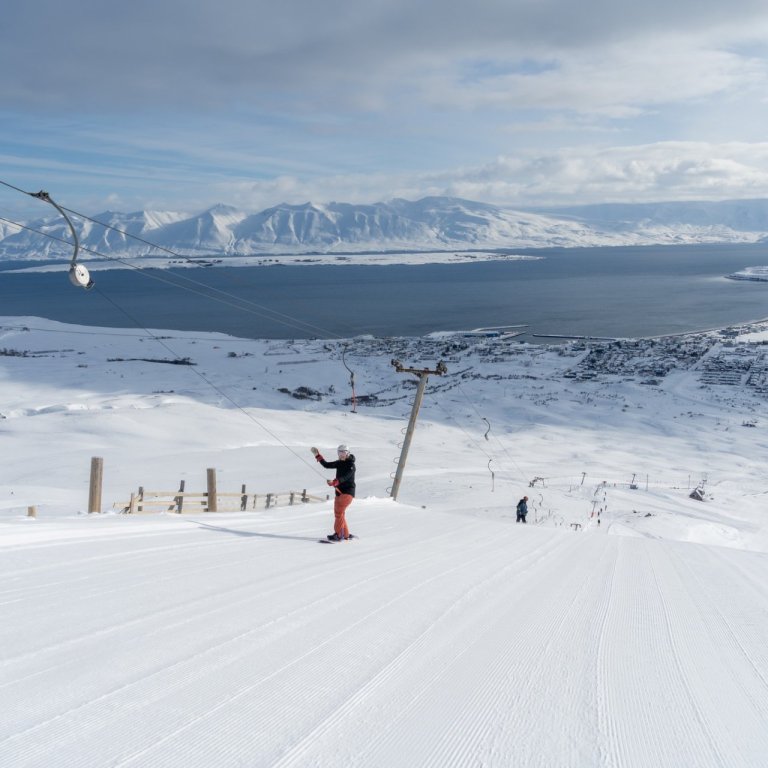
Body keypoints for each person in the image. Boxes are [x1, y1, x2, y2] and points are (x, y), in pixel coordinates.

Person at [311, 444, 356, 541]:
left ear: (348, 453)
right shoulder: (339, 463)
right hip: (339, 493)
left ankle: (339, 535)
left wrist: (336, 481)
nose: (341, 454)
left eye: (343, 452)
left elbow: (346, 477)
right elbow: (326, 465)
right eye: (339, 452)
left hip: (347, 493)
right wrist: (318, 456)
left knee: (338, 514)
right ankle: (345, 534)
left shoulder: (351, 465)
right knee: (341, 514)